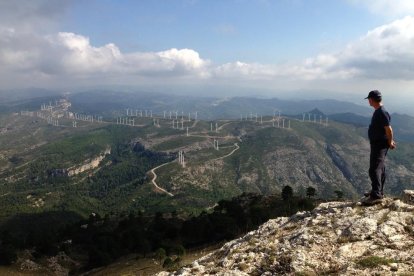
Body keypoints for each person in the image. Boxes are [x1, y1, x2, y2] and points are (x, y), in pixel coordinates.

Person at [361, 90, 396, 205]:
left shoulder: (382, 112)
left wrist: (390, 142)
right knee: (380, 167)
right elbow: (386, 130)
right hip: (378, 143)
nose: (368, 102)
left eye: (369, 99)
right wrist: (389, 140)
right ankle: (377, 190)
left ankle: (376, 195)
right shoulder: (379, 111)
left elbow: (389, 129)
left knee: (374, 169)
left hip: (380, 144)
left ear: (372, 99)